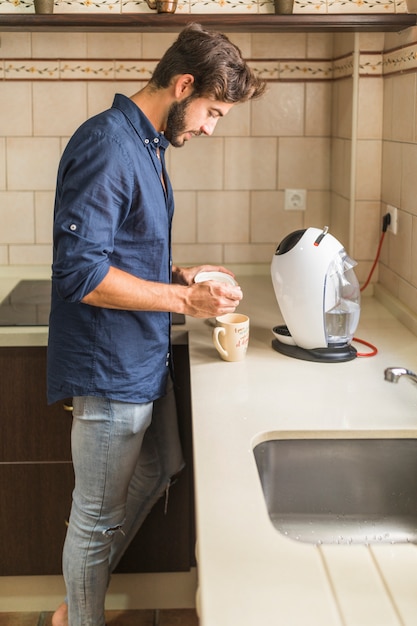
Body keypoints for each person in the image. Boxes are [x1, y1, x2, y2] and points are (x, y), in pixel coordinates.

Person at [48, 22, 266, 626]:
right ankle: (77, 616)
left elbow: (121, 248)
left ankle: (79, 593)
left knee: (161, 464)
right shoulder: (106, 144)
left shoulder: (147, 145)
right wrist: (184, 302)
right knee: (94, 517)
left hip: (142, 354)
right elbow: (81, 274)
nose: (209, 127)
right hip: (108, 365)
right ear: (183, 84)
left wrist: (182, 274)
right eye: (212, 112)